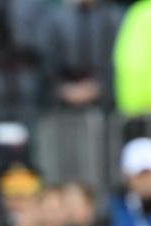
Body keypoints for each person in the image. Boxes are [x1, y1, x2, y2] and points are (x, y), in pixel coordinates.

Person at [38, 0, 124, 185]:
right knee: (66, 166)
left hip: (104, 108)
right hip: (63, 109)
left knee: (104, 164)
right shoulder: (56, 19)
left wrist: (99, 88)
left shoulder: (112, 17)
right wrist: (63, 91)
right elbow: (47, 62)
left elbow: (120, 59)